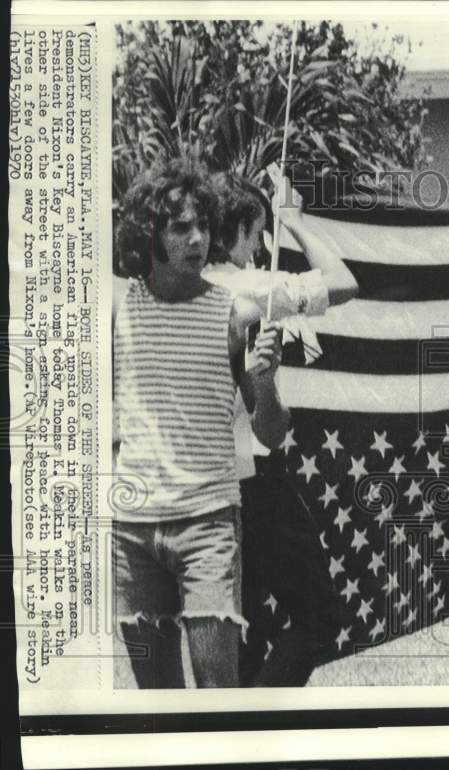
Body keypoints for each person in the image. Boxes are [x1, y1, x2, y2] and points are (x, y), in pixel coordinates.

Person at [112, 157, 289, 688]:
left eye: (203, 225)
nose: (196, 238)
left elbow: (271, 434)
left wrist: (264, 382)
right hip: (132, 532)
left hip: (208, 526)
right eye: (179, 226)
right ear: (151, 232)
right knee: (158, 704)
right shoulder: (121, 305)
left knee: (217, 700)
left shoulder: (235, 315)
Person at [203, 171, 360, 687]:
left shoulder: (186, 291)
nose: (259, 249)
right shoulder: (248, 286)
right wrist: (295, 222)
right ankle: (257, 726)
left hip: (202, 490)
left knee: (244, 634)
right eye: (259, 235)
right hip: (254, 481)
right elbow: (343, 282)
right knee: (320, 618)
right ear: (244, 228)